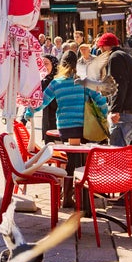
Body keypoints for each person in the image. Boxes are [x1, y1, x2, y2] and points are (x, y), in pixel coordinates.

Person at [26, 50, 108, 208]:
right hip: (83, 128)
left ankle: (70, 195)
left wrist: (29, 112)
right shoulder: (83, 82)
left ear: (61, 65)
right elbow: (100, 101)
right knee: (80, 160)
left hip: (65, 129)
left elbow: (42, 102)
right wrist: (105, 115)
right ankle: (80, 196)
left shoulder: (56, 83)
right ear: (76, 64)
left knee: (71, 160)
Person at [96, 31, 132, 147]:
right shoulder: (127, 57)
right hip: (131, 111)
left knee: (117, 153)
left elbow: (118, 85)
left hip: (123, 114)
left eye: (100, 48)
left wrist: (115, 110)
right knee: (122, 152)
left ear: (105, 46)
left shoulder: (115, 57)